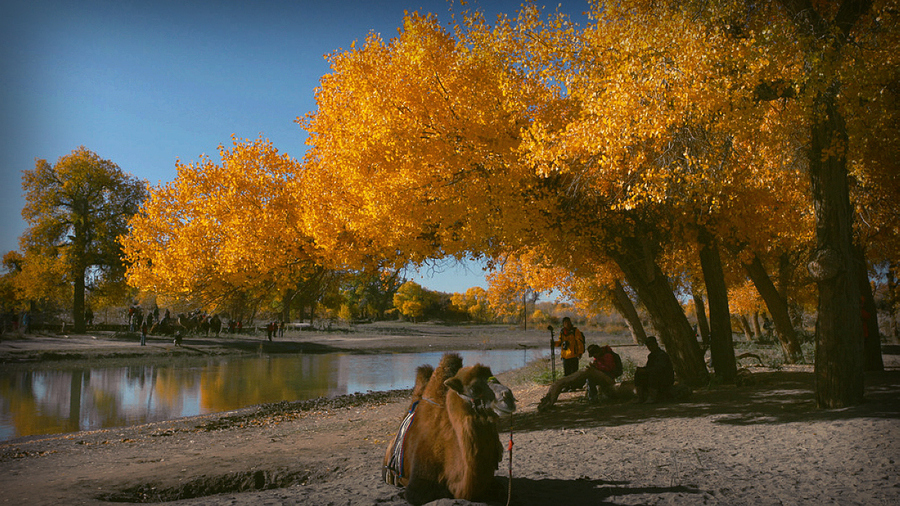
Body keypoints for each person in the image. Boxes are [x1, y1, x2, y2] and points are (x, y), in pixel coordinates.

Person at [538, 344, 618, 412]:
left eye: (594, 355)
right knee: (590, 379)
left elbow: (609, 368)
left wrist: (596, 367)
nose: (594, 357)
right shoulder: (599, 356)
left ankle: (593, 398)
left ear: (597, 352)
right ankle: (592, 399)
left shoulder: (608, 356)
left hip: (609, 377)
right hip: (602, 375)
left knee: (588, 373)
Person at [634, 336, 675, 403]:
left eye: (651, 345)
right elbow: (649, 367)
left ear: (656, 344)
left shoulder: (662, 355)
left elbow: (659, 369)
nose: (650, 347)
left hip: (665, 378)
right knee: (639, 374)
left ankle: (652, 397)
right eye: (648, 345)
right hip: (655, 374)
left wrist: (646, 371)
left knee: (653, 374)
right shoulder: (651, 356)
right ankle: (640, 397)